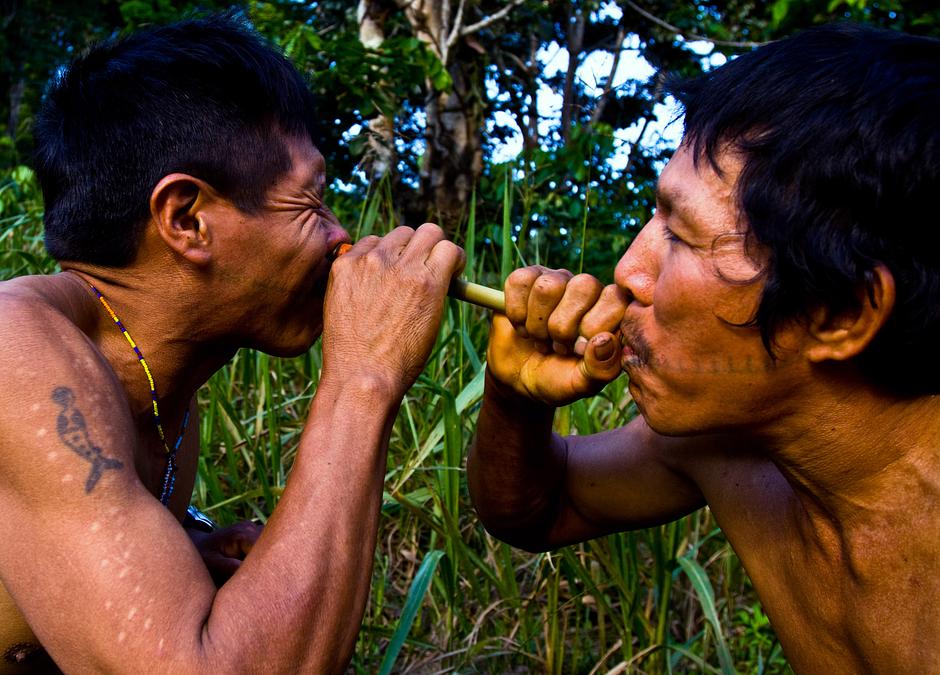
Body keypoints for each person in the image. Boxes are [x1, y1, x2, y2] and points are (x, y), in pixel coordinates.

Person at [467, 22, 939, 673]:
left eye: (682, 236)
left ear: (844, 312)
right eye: (654, 217)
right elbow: (538, 508)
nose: (629, 271)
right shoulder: (734, 446)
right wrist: (515, 397)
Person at [0, 13, 464, 673]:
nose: (341, 238)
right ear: (187, 218)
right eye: (311, 202)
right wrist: (363, 378)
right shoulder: (16, 355)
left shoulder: (158, 374)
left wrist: (186, 550)